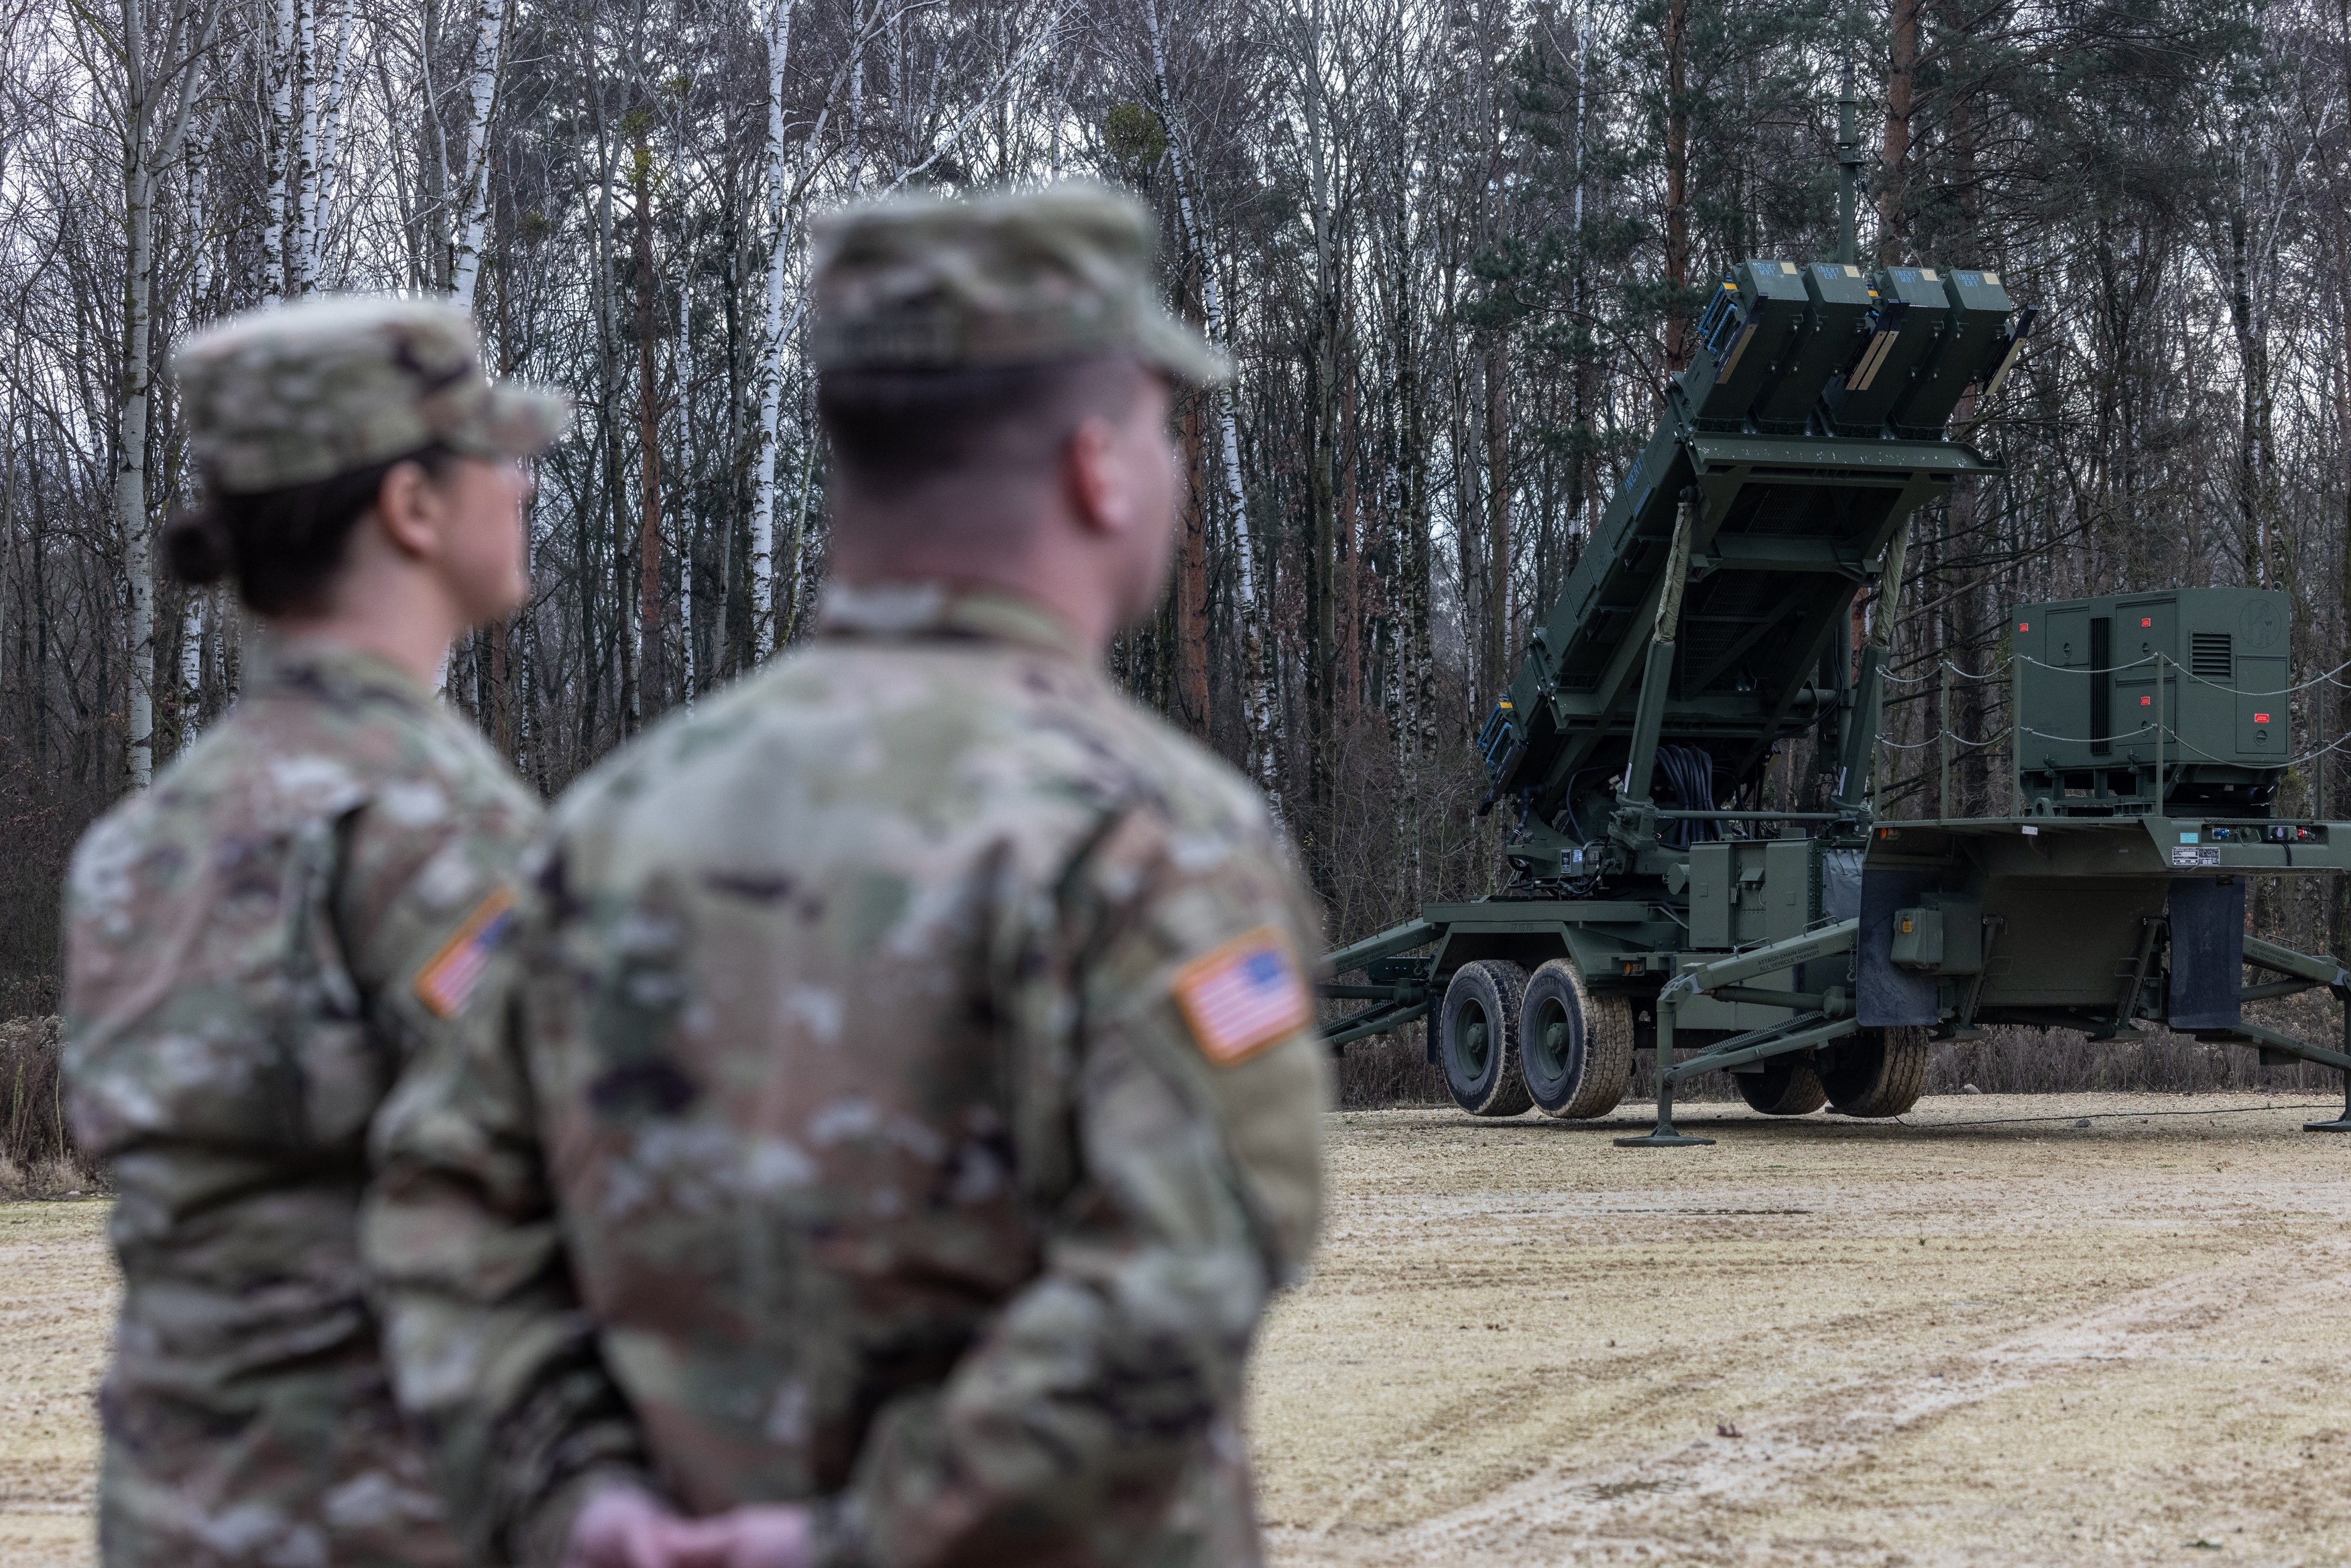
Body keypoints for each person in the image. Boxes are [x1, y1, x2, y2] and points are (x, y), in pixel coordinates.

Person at [364, 183, 1329, 1568]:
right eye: (1160, 426)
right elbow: (1179, 1281)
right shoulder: (1140, 837)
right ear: (1097, 465)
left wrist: (573, 1498)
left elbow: (439, 1202)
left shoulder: (614, 823)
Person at [62, 296, 566, 1568]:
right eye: (494, 457)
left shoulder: (139, 842)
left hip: (176, 1511)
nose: (520, 486)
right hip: (384, 1516)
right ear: (412, 508)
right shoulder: (433, 826)